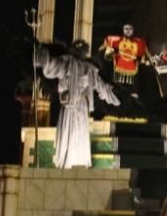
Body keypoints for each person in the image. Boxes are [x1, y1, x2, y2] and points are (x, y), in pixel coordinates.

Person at [35, 40, 121, 168]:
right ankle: (67, 162)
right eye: (78, 49)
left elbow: (101, 86)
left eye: (83, 50)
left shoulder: (89, 68)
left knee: (80, 135)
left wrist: (112, 96)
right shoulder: (67, 63)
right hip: (69, 106)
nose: (81, 52)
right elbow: (52, 65)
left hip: (81, 106)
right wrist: (41, 57)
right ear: (74, 50)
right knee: (68, 135)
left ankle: (79, 162)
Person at [100, 23, 152, 93]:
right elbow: (107, 57)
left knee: (133, 94)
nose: (128, 31)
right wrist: (113, 51)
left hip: (133, 74)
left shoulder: (139, 43)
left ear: (133, 31)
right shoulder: (116, 41)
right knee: (118, 93)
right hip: (118, 72)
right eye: (126, 29)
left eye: (130, 29)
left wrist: (141, 60)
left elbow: (143, 59)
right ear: (123, 30)